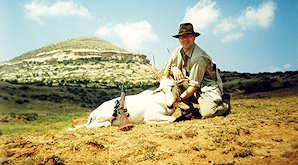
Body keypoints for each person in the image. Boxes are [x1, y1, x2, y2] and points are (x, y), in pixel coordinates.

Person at [165, 23, 230, 120]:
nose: (185, 40)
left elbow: (194, 87)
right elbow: (166, 72)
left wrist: (180, 99)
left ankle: (225, 104)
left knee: (208, 113)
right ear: (179, 39)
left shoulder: (199, 58)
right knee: (172, 84)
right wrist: (174, 69)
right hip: (191, 84)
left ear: (194, 37)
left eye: (188, 36)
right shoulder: (177, 51)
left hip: (206, 87)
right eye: (182, 37)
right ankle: (189, 111)